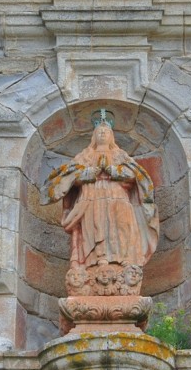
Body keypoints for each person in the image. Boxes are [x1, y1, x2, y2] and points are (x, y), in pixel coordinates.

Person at [43, 114, 159, 279]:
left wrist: (113, 170)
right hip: (92, 196)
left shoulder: (121, 156)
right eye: (99, 132)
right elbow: (70, 176)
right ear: (93, 137)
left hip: (118, 195)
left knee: (123, 225)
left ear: (111, 136)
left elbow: (135, 175)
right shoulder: (85, 156)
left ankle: (125, 259)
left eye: (106, 132)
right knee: (95, 226)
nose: (102, 134)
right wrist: (89, 173)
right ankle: (97, 261)